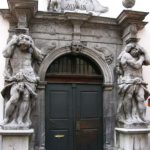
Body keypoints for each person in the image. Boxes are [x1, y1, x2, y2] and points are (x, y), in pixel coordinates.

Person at [1, 34, 44, 128]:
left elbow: (40, 57)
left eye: (27, 39)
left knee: (26, 98)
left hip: (29, 77)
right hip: (16, 77)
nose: (25, 41)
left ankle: (20, 119)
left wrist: (32, 45)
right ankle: (7, 118)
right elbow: (5, 54)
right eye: (23, 38)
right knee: (14, 98)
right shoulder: (13, 48)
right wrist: (12, 42)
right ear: (18, 41)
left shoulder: (31, 50)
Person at [116, 42, 150, 125]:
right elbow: (136, 65)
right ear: (129, 49)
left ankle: (142, 117)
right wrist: (141, 58)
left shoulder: (138, 57)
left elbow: (148, 62)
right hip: (129, 81)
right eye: (134, 49)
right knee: (128, 98)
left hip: (139, 82)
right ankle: (128, 117)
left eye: (138, 50)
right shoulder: (125, 55)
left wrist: (144, 51)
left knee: (141, 99)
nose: (136, 51)